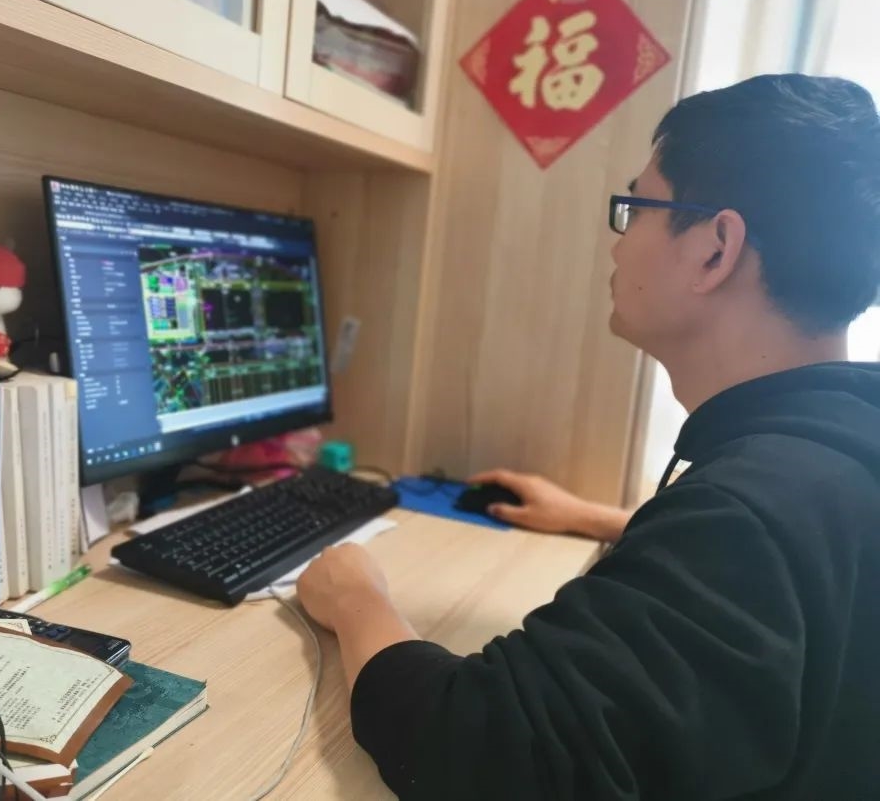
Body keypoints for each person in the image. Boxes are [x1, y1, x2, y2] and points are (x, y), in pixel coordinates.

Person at [296, 74, 880, 800]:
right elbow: (801, 576)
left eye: (636, 208)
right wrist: (598, 519)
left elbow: (476, 750)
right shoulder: (836, 451)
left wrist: (357, 598)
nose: (617, 245)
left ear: (715, 249)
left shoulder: (748, 515)